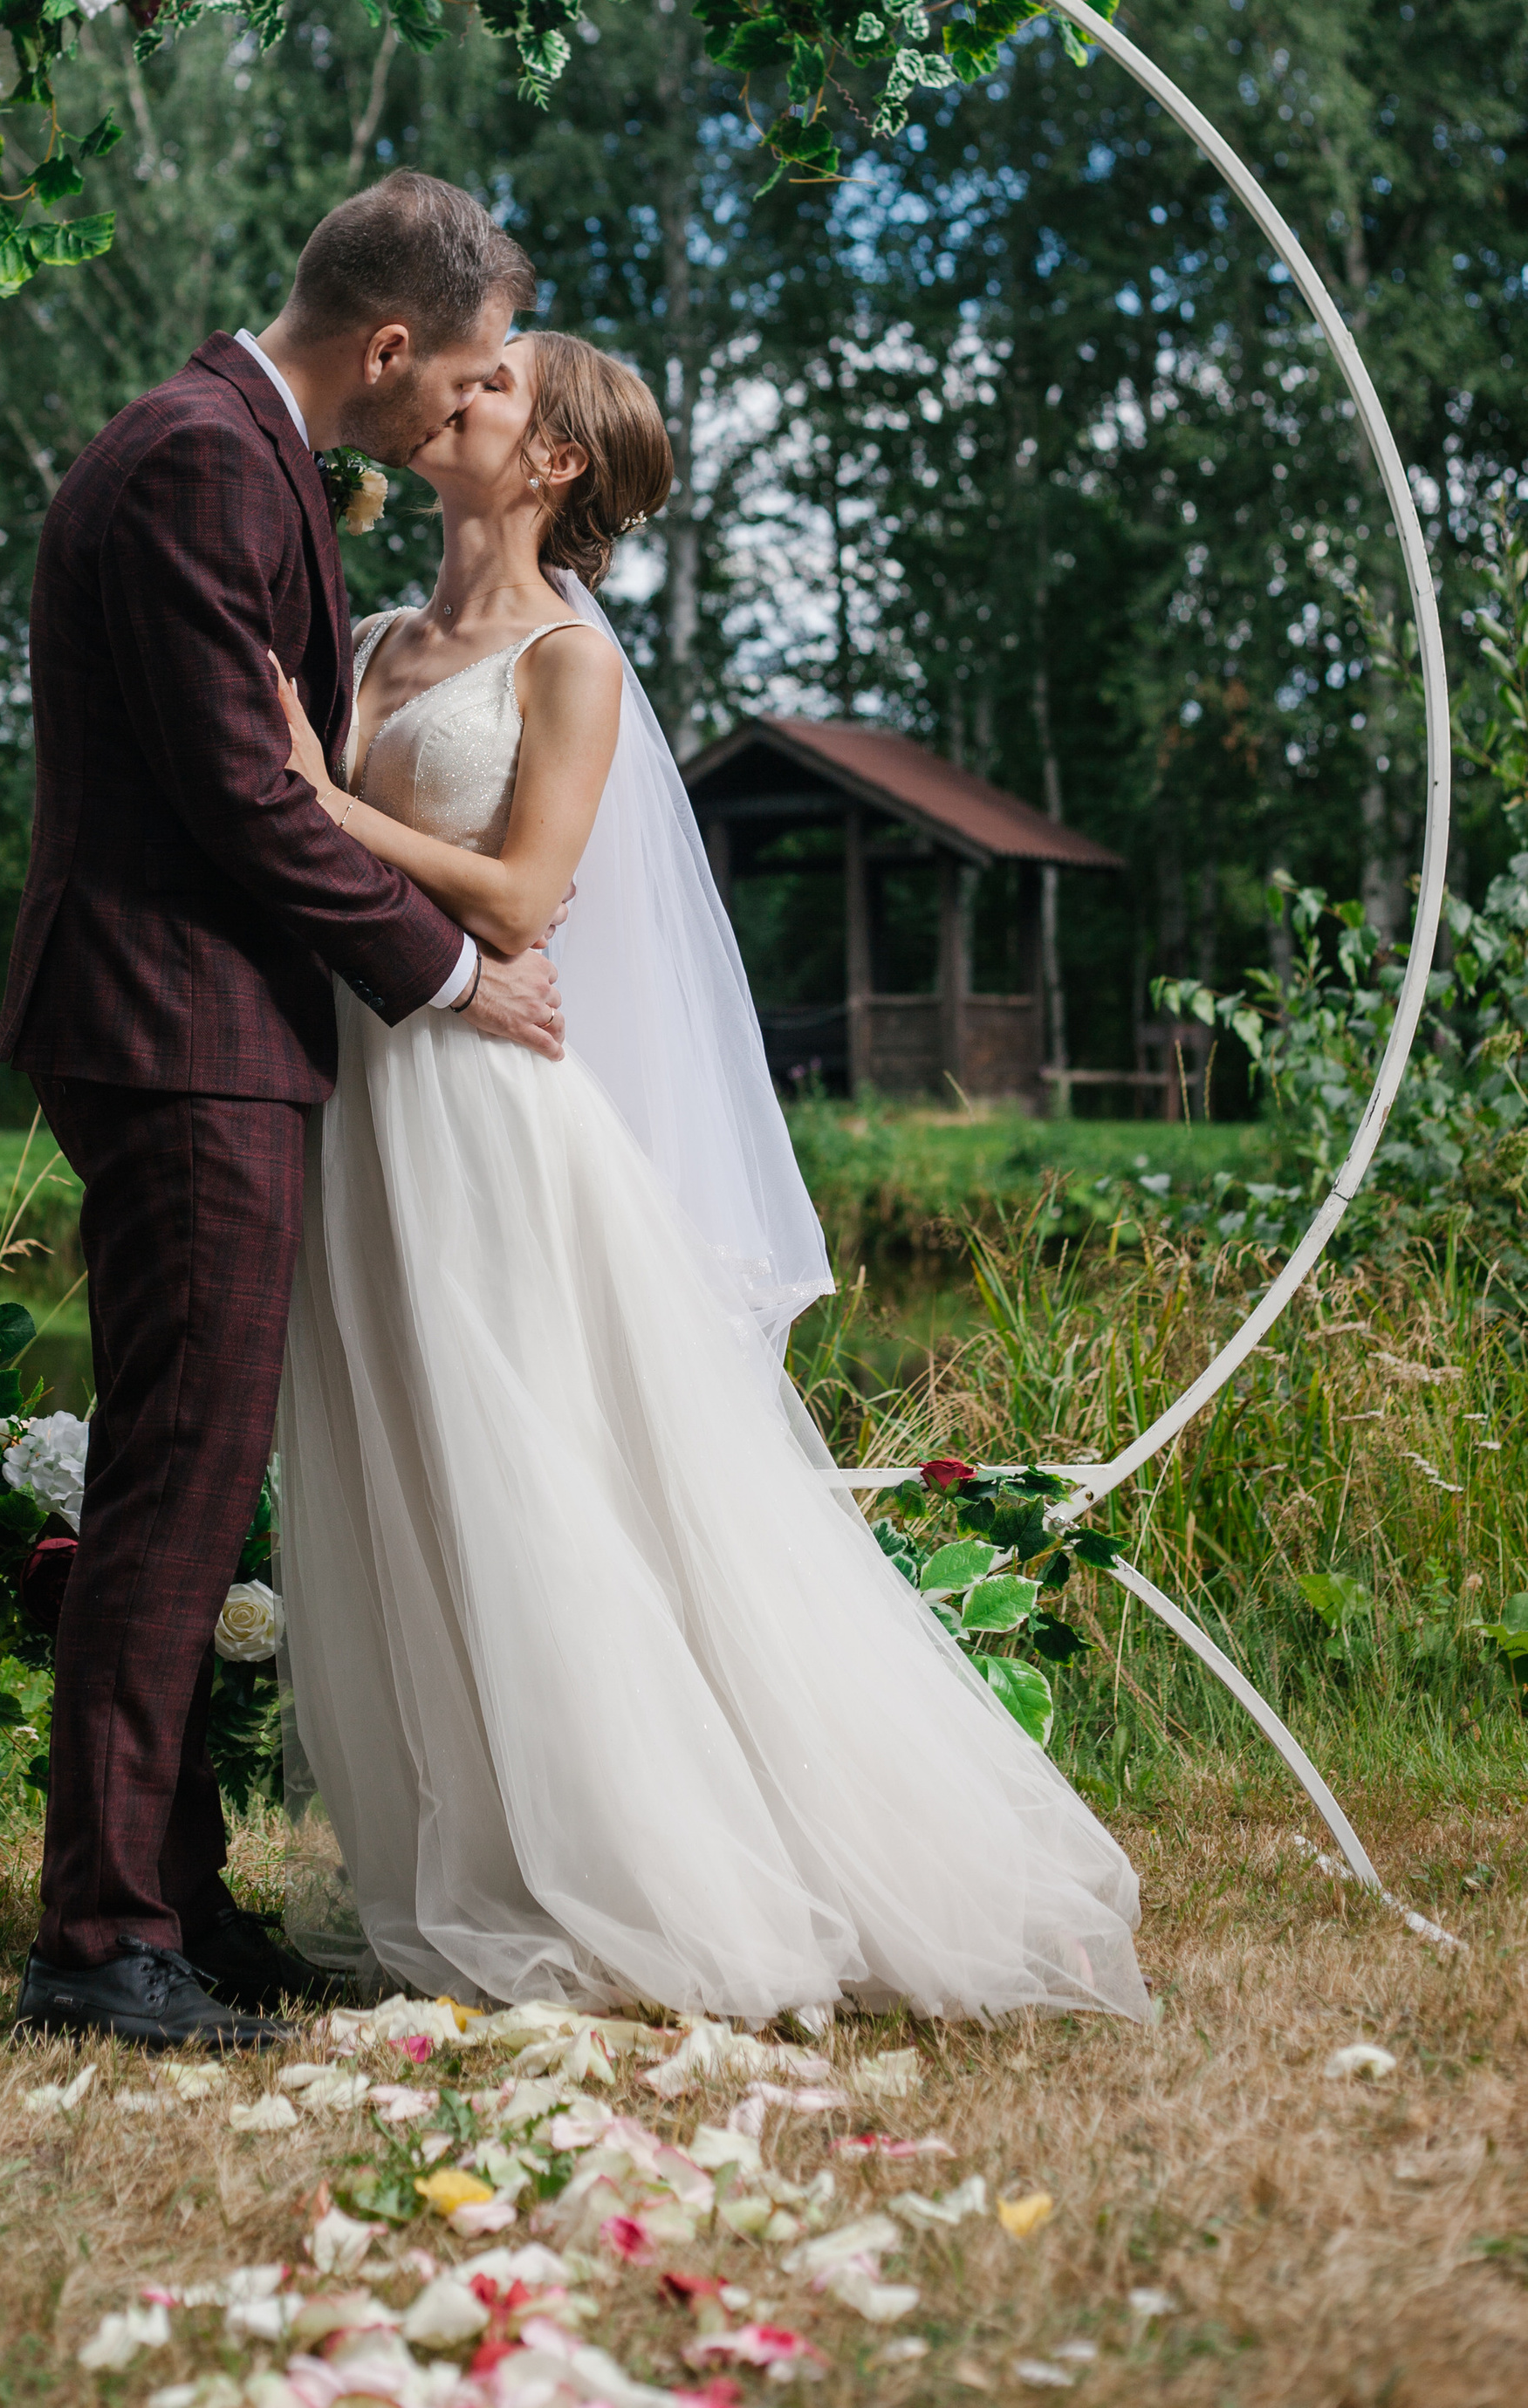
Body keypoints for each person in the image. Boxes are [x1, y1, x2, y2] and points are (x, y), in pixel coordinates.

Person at [271, 331, 1151, 2025]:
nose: (461, 388)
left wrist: (317, 800)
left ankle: (664, 1864)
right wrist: (302, 792)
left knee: (551, 1483)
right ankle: (487, 1848)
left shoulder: (566, 665)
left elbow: (523, 901)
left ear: (554, 468)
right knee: (416, 1485)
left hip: (489, 1115)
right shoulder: (369, 641)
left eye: (500, 385)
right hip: (360, 1103)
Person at [0, 171, 568, 2054]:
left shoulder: (231, 453)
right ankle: (100, 1948)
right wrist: (450, 974)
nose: (461, 408)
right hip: (179, 1034)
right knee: (172, 1488)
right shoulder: (202, 465)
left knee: (184, 1472)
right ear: (389, 344)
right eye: (466, 369)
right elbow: (251, 802)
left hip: (201, 1034)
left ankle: (171, 1898)